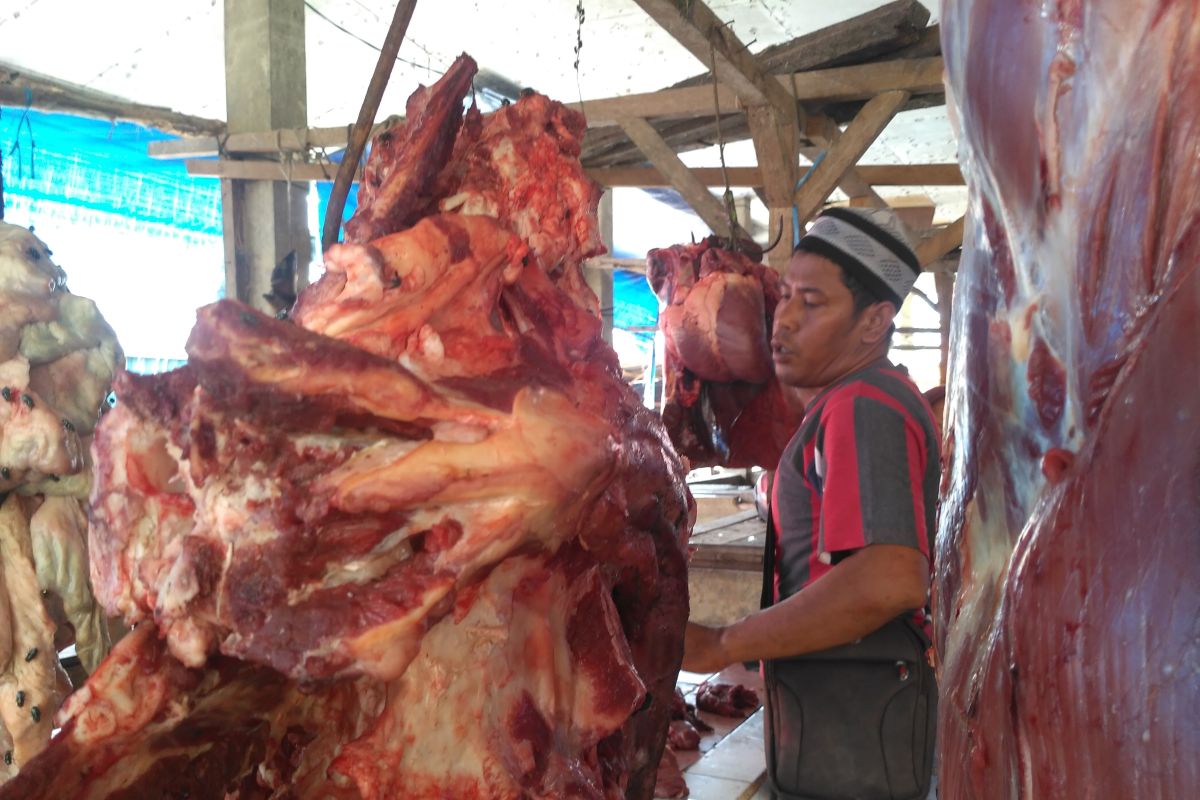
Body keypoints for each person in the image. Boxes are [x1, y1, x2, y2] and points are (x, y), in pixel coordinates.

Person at [682, 206, 940, 798]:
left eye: (813, 303)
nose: (785, 320)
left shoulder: (865, 403)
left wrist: (725, 643)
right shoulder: (843, 404)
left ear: (875, 321)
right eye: (788, 296)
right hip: (843, 727)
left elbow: (890, 578)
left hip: (857, 738)